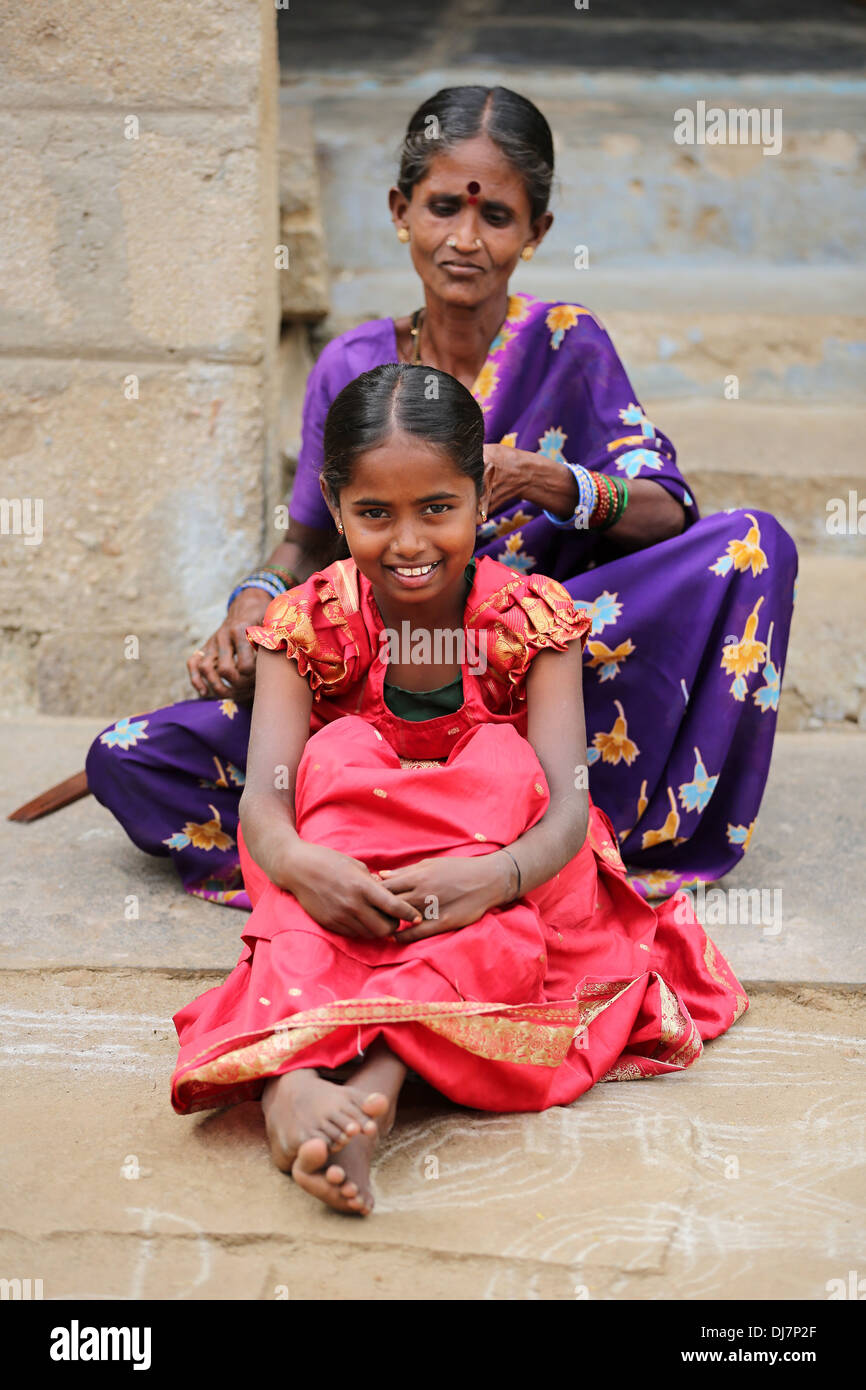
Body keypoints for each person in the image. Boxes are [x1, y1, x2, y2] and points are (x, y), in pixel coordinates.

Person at [86, 84, 797, 911]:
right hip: (369, 682)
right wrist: (254, 605)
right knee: (130, 756)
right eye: (440, 208)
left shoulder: (570, 344)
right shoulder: (350, 364)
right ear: (400, 210)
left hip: (529, 671)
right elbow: (307, 543)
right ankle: (399, 856)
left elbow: (670, 512)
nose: (464, 240)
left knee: (755, 542)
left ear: (537, 233)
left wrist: (538, 477)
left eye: (496, 216)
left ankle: (535, 841)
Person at [170, 363, 748, 1217]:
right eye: (374, 514)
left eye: (437, 508)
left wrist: (495, 878)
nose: (408, 543)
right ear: (335, 511)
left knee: (503, 826)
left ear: (482, 499)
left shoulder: (530, 619)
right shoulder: (306, 622)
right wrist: (302, 864)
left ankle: (368, 1083)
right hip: (341, 869)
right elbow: (268, 799)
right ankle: (297, 1082)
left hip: (487, 873)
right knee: (329, 777)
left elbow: (561, 807)